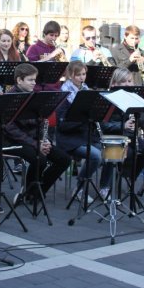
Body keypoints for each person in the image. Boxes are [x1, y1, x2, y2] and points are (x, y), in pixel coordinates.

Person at [4, 63, 70, 206]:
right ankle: (30, 191)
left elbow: (41, 121)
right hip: (12, 141)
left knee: (64, 159)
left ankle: (37, 190)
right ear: (19, 80)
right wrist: (36, 144)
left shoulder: (34, 96)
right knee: (39, 158)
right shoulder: (9, 98)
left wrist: (44, 140)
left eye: (35, 79)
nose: (34, 83)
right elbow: (11, 129)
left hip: (34, 140)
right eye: (30, 80)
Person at [55, 61, 103, 204]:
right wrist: (83, 119)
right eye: (78, 75)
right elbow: (62, 125)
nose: (82, 78)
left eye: (84, 74)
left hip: (85, 135)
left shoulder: (86, 91)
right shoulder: (64, 94)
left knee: (107, 154)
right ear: (70, 75)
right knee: (96, 156)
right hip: (69, 138)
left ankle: (105, 188)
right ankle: (79, 189)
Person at [100, 67, 144, 197]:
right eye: (124, 82)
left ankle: (129, 177)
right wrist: (123, 125)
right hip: (112, 135)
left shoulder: (133, 98)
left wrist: (136, 122)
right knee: (122, 152)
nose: (128, 84)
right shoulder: (108, 99)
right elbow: (104, 124)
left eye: (130, 81)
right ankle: (105, 185)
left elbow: (139, 118)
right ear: (115, 84)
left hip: (128, 134)